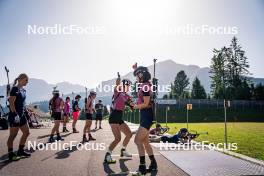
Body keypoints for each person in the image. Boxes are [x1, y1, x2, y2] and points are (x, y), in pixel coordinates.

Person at [131, 66, 158, 175]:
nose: (136, 78)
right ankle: (153, 164)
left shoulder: (145, 86)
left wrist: (135, 106)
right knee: (145, 142)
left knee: (137, 140)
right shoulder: (145, 85)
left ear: (141, 75)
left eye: (137, 75)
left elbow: (146, 104)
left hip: (147, 116)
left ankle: (142, 168)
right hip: (145, 115)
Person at [104, 78, 133, 164]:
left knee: (129, 134)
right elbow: (117, 85)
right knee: (117, 139)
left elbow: (131, 102)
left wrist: (132, 105)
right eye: (128, 86)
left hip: (119, 117)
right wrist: (119, 81)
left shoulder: (126, 95)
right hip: (114, 117)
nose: (129, 87)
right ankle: (107, 155)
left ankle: (123, 150)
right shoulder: (118, 92)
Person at [7, 73, 31, 161]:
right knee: (13, 135)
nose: (27, 82)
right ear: (21, 79)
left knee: (27, 132)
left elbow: (23, 102)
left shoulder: (24, 90)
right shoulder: (14, 89)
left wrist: (26, 110)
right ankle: (10, 153)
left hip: (22, 115)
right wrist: (15, 114)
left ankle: (20, 150)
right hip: (15, 115)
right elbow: (11, 103)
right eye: (26, 80)